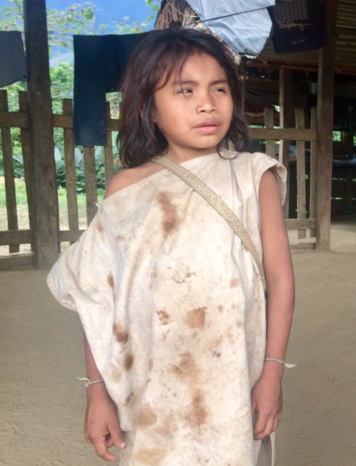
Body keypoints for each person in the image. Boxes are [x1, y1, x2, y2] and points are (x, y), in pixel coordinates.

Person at [47, 29, 295, 465]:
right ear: (151, 109)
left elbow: (280, 278)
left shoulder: (255, 176)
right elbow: (100, 299)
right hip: (151, 391)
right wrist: (97, 394)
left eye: (219, 88)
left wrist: (272, 371)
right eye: (185, 90)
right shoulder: (127, 189)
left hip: (230, 379)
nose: (207, 103)